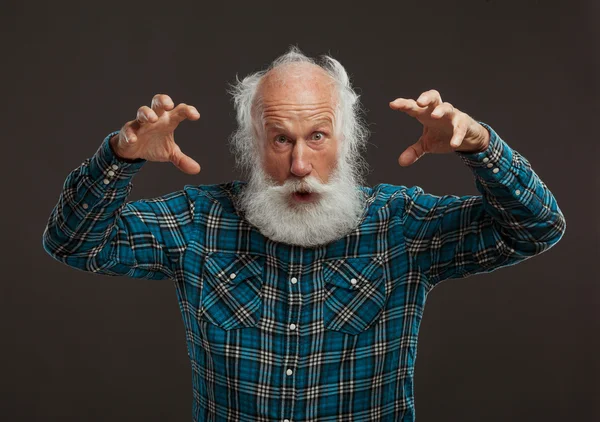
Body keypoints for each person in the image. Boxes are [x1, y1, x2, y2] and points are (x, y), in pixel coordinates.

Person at [42, 47, 566, 422]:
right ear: (252, 143)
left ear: (348, 139)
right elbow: (74, 242)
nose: (299, 164)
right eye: (280, 140)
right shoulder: (199, 223)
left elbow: (537, 227)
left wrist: (482, 148)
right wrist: (120, 158)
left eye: (317, 136)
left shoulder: (400, 224)